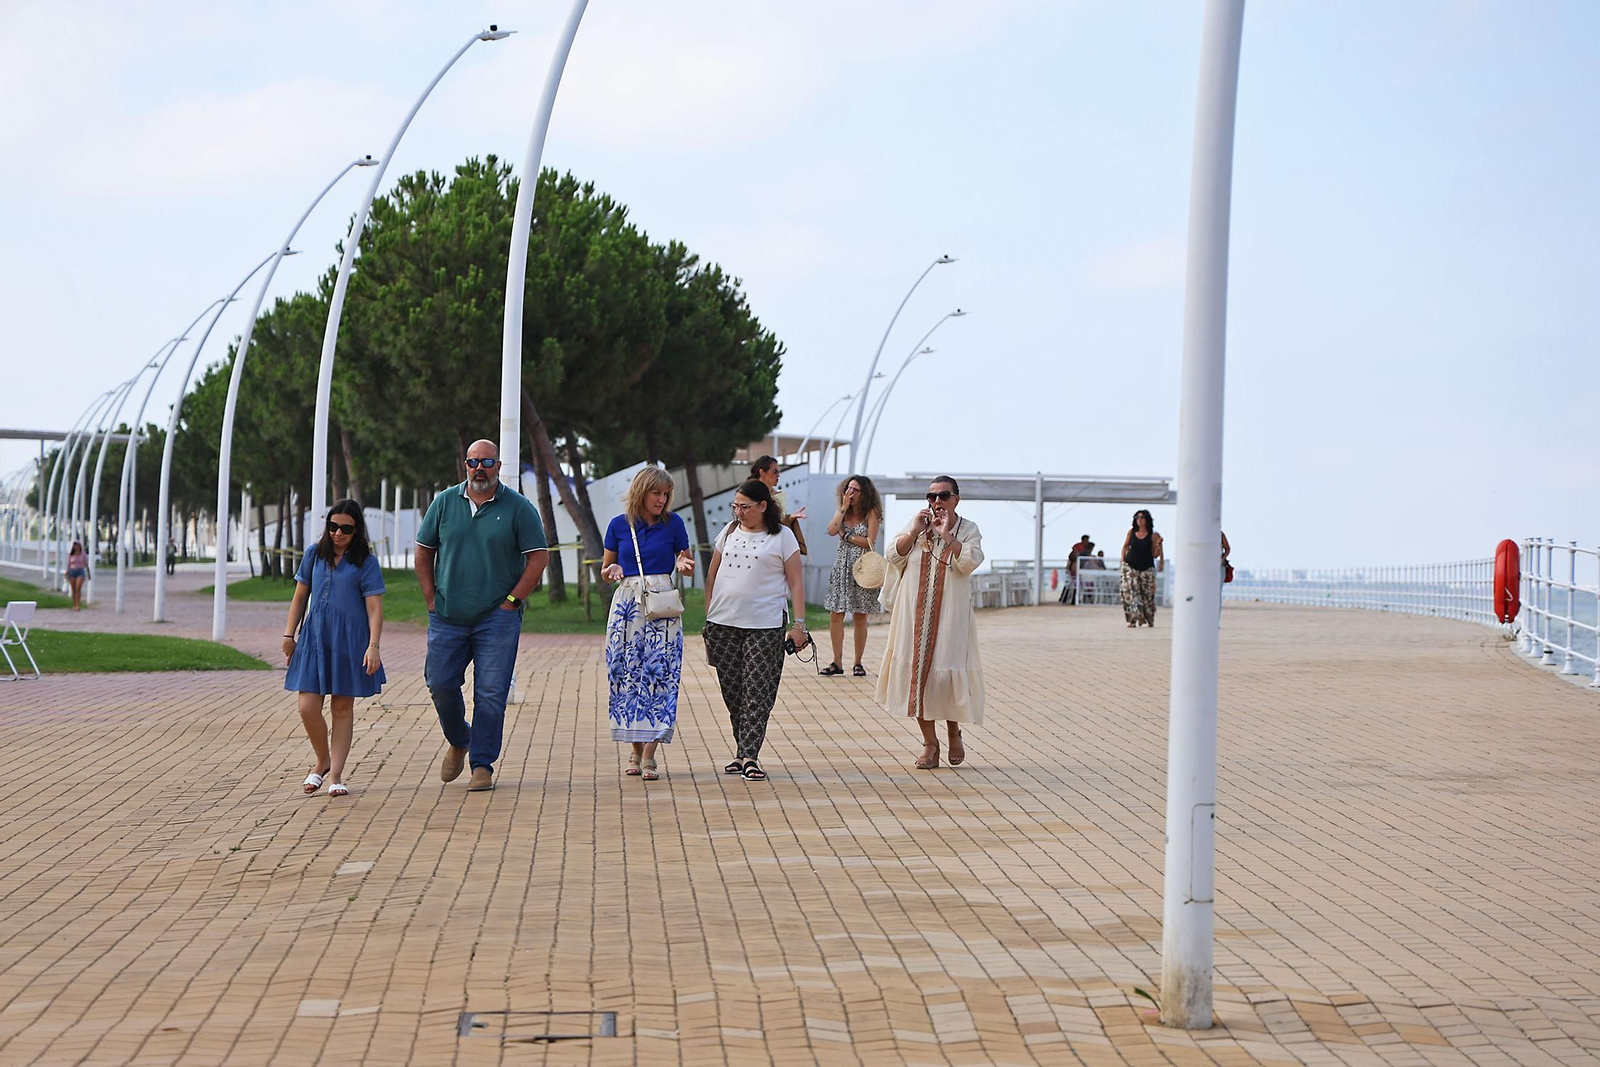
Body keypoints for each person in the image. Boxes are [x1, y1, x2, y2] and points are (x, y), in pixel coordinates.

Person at [415, 440, 549, 793]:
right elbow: (423, 551)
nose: (479, 468)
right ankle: (460, 740)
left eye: (487, 462)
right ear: (465, 465)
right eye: (473, 462)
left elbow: (538, 558)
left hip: (497, 617)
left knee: (490, 692)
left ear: (498, 465)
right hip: (447, 615)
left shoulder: (518, 507)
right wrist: (430, 598)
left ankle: (482, 764)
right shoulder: (444, 502)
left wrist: (512, 601)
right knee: (440, 683)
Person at [703, 479, 808, 783]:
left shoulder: (782, 536)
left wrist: (799, 625)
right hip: (723, 624)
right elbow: (712, 574)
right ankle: (741, 750)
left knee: (758, 692)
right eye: (736, 506)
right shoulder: (729, 531)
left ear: (763, 506)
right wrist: (710, 615)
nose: (739, 512)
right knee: (733, 691)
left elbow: (796, 582)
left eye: (745, 507)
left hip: (765, 625)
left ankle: (750, 756)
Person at [877, 476, 985, 770]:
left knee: (946, 674)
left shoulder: (968, 529)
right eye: (931, 496)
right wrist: (913, 532)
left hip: (951, 615)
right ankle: (929, 743)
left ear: (956, 499)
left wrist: (948, 535)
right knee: (918, 675)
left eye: (943, 496)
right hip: (912, 613)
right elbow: (893, 556)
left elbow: (969, 562)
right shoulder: (918, 523)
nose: (936, 502)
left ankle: (953, 732)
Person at [281, 500, 385, 798]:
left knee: (341, 708)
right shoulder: (314, 554)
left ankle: (335, 774)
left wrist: (373, 645)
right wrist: (289, 635)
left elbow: (375, 608)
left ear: (357, 530)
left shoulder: (366, 562)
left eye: (346, 528)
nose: (338, 533)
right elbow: (300, 597)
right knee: (307, 707)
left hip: (350, 643)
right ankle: (322, 759)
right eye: (333, 526)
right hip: (314, 639)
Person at [600, 467, 695, 781]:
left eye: (666, 494)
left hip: (662, 602)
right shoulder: (618, 524)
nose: (662, 499)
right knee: (625, 672)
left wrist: (682, 563)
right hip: (627, 602)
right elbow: (606, 568)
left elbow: (688, 561)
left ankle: (650, 754)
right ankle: (634, 748)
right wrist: (611, 569)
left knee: (660, 674)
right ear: (642, 491)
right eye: (657, 493)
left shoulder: (674, 524)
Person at [820, 475, 884, 677]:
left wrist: (847, 536)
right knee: (836, 613)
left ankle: (858, 662)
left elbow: (870, 542)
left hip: (862, 567)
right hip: (841, 566)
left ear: (865, 493)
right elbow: (831, 530)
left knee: (860, 615)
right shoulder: (843, 510)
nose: (851, 493)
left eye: (856, 490)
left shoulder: (871, 512)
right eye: (849, 489)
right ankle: (836, 661)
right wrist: (843, 508)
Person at [749, 455, 807, 554]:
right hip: (751, 541)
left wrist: (790, 518)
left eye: (779, 472)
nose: (778, 475)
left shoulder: (780, 495)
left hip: (774, 544)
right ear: (762, 472)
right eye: (775, 472)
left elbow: (780, 521)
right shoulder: (748, 492)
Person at [1120, 509, 1164, 627]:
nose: (1139, 520)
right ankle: (1133, 619)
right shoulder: (1131, 532)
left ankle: (1149, 618)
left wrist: (1159, 546)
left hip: (1146, 567)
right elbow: (1125, 547)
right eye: (1137, 518)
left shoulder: (1153, 535)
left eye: (1142, 518)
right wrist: (1123, 561)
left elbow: (1155, 554)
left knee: (1147, 595)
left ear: (1147, 520)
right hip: (1131, 566)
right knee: (1131, 592)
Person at [1059, 534, 1094, 604]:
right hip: (1075, 578)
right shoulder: (1078, 548)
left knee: (1070, 584)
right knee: (1087, 583)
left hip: (1074, 577)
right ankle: (1086, 600)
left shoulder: (1082, 549)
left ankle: (1067, 598)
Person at [64, 540, 89, 611]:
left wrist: (88, 573)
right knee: (73, 589)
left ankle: (78, 604)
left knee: (78, 588)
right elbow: (68, 564)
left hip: (80, 571)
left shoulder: (83, 554)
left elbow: (86, 564)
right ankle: (74, 604)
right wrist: (67, 572)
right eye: (75, 545)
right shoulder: (71, 554)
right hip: (72, 571)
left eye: (77, 545)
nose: (76, 547)